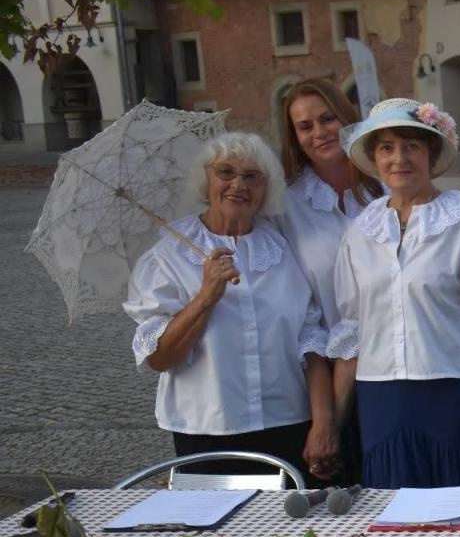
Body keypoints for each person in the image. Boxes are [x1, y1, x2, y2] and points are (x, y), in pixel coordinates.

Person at [328, 98, 460, 488]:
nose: (399, 158)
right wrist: (330, 424)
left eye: (411, 146)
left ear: (430, 154)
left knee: (459, 508)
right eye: (387, 148)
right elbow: (351, 332)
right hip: (381, 399)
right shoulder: (360, 232)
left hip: (452, 393)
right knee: (391, 510)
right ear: (374, 158)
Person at [124, 131, 334, 477]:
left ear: (266, 189)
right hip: (206, 427)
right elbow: (159, 359)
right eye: (226, 172)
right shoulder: (168, 256)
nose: (238, 185)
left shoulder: (284, 249)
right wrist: (206, 296)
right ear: (205, 180)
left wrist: (323, 423)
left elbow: (310, 343)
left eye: (252, 176)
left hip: (287, 422)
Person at [273, 78, 383, 483]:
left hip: (398, 368)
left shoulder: (387, 186)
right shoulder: (285, 205)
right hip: (327, 377)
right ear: (295, 138)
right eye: (305, 126)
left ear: (347, 119)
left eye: (327, 118)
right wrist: (328, 414)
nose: (319, 132)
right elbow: (301, 312)